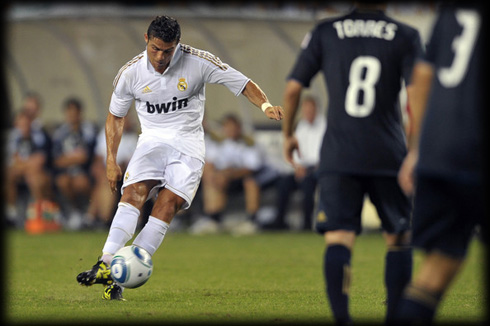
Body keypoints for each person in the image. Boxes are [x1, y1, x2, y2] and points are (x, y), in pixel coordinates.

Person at [77, 15, 284, 300]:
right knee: (133, 194)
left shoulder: (198, 62)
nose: (160, 56)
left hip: (188, 145)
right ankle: (106, 262)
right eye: (156, 49)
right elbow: (115, 116)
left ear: (178, 45)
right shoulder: (131, 73)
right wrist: (111, 160)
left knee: (167, 205)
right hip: (151, 142)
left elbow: (242, 82)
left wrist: (265, 105)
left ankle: (120, 277)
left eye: (168, 50)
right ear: (146, 40)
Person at [282, 3, 423, 324]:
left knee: (339, 237)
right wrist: (414, 150)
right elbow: (417, 98)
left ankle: (343, 319)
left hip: (339, 154)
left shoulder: (325, 31)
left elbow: (292, 90)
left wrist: (288, 134)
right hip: (388, 153)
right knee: (399, 237)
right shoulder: (406, 35)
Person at [394, 4, 485, 324]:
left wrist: (417, 150)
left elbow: (422, 77)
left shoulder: (452, 11)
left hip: (441, 153)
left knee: (436, 270)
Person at [191, 113, 264, 235]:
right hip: (225, 179)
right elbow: (213, 162)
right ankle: (213, 219)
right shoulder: (220, 145)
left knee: (251, 182)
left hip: (242, 178)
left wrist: (229, 175)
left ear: (239, 128)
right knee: (210, 176)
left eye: (233, 127)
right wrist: (217, 175)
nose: (230, 131)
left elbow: (252, 167)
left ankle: (252, 221)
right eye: (227, 127)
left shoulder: (248, 144)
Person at [270, 95, 326, 231]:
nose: (308, 113)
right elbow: (296, 151)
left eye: (310, 109)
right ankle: (280, 221)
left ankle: (306, 224)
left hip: (318, 168)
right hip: (302, 168)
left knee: (307, 184)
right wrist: (298, 167)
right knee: (283, 183)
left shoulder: (325, 126)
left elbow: (326, 152)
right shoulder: (301, 126)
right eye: (305, 110)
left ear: (316, 109)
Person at [85, 113, 138, 229]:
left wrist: (114, 169)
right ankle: (98, 219)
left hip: (124, 173)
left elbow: (130, 162)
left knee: (108, 180)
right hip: (105, 170)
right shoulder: (105, 134)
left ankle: (97, 218)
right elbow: (98, 157)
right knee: (103, 180)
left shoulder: (132, 139)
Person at [52, 97, 97, 229]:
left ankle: (88, 212)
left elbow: (86, 156)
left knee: (81, 182)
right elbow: (57, 160)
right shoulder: (60, 133)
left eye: (75, 113)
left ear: (80, 113)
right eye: (69, 113)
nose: (72, 116)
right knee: (62, 181)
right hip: (66, 172)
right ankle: (74, 212)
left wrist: (68, 158)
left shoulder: (88, 130)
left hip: (84, 172)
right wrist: (74, 158)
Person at [5, 109, 55, 228]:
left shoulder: (39, 136)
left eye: (26, 123)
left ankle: (41, 216)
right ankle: (11, 212)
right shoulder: (14, 137)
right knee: (8, 174)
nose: (23, 127)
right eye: (21, 124)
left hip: (42, 173)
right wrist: (26, 165)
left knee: (33, 178)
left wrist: (23, 164)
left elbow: (39, 161)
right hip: (23, 172)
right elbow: (13, 161)